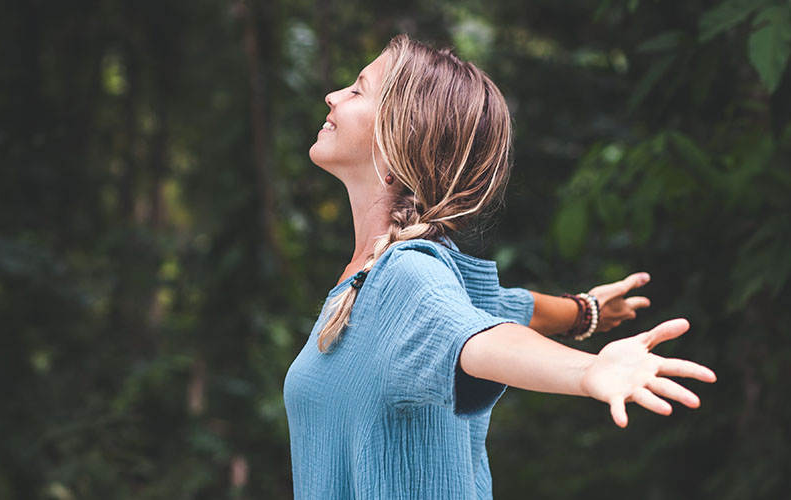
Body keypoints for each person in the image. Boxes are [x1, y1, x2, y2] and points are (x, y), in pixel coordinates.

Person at [283, 34, 717, 499]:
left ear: (396, 141)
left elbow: (480, 339)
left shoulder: (406, 277)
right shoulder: (373, 277)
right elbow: (498, 308)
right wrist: (582, 312)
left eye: (357, 90)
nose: (333, 95)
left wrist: (587, 372)